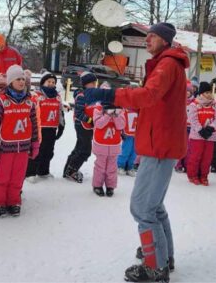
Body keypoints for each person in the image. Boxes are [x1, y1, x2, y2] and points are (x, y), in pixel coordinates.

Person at [82, 22, 188, 283]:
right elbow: (154, 102)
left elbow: (149, 95)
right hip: (160, 142)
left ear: (164, 40)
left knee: (142, 208)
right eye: (147, 36)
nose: (147, 40)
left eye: (152, 37)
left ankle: (155, 268)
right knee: (154, 207)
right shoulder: (165, 63)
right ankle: (164, 257)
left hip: (160, 146)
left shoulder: (167, 65)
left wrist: (112, 96)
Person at [0, 65, 39, 217]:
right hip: (5, 148)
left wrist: (35, 144)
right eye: (17, 79)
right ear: (10, 82)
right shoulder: (0, 101)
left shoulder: (29, 102)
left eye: (23, 79)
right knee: (2, 177)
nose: (21, 82)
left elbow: (34, 125)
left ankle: (14, 201)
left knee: (18, 177)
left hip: (23, 147)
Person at [26, 72, 65, 182]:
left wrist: (62, 125)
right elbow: (30, 111)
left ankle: (43, 171)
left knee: (48, 151)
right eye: (49, 82)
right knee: (37, 150)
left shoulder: (57, 97)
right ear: (43, 82)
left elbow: (60, 111)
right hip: (39, 128)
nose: (51, 84)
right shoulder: (37, 95)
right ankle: (30, 173)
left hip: (52, 128)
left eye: (53, 82)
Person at [63, 71, 98, 183]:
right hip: (82, 126)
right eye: (92, 83)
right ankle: (72, 170)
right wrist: (91, 121)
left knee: (79, 147)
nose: (94, 84)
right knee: (85, 150)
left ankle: (68, 169)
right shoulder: (82, 96)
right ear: (85, 84)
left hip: (87, 127)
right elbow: (78, 113)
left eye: (94, 82)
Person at [185, 82, 216, 186]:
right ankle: (193, 175)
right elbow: (193, 119)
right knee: (195, 156)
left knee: (207, 158)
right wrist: (201, 130)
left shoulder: (215, 104)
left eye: (210, 92)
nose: (209, 94)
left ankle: (204, 176)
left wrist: (211, 128)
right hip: (197, 136)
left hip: (210, 136)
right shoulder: (194, 104)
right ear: (201, 93)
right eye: (206, 92)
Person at [91, 99, 125, 197]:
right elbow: (98, 124)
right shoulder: (98, 109)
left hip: (114, 145)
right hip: (101, 144)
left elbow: (121, 126)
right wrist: (107, 114)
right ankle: (97, 186)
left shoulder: (120, 110)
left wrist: (115, 115)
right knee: (100, 167)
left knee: (112, 168)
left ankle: (110, 186)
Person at [118, 106, 139, 176]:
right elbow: (121, 120)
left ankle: (130, 167)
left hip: (136, 133)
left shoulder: (140, 108)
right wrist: (122, 131)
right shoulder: (124, 109)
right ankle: (120, 166)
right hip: (127, 133)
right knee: (125, 150)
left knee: (134, 151)